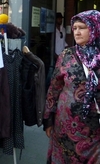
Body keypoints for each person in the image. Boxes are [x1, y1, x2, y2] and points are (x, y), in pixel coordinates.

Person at [43, 10, 100, 163]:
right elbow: (54, 88)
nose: (77, 32)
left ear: (95, 28)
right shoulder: (67, 55)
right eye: (74, 28)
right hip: (65, 127)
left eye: (82, 27)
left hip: (95, 129)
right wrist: (48, 118)